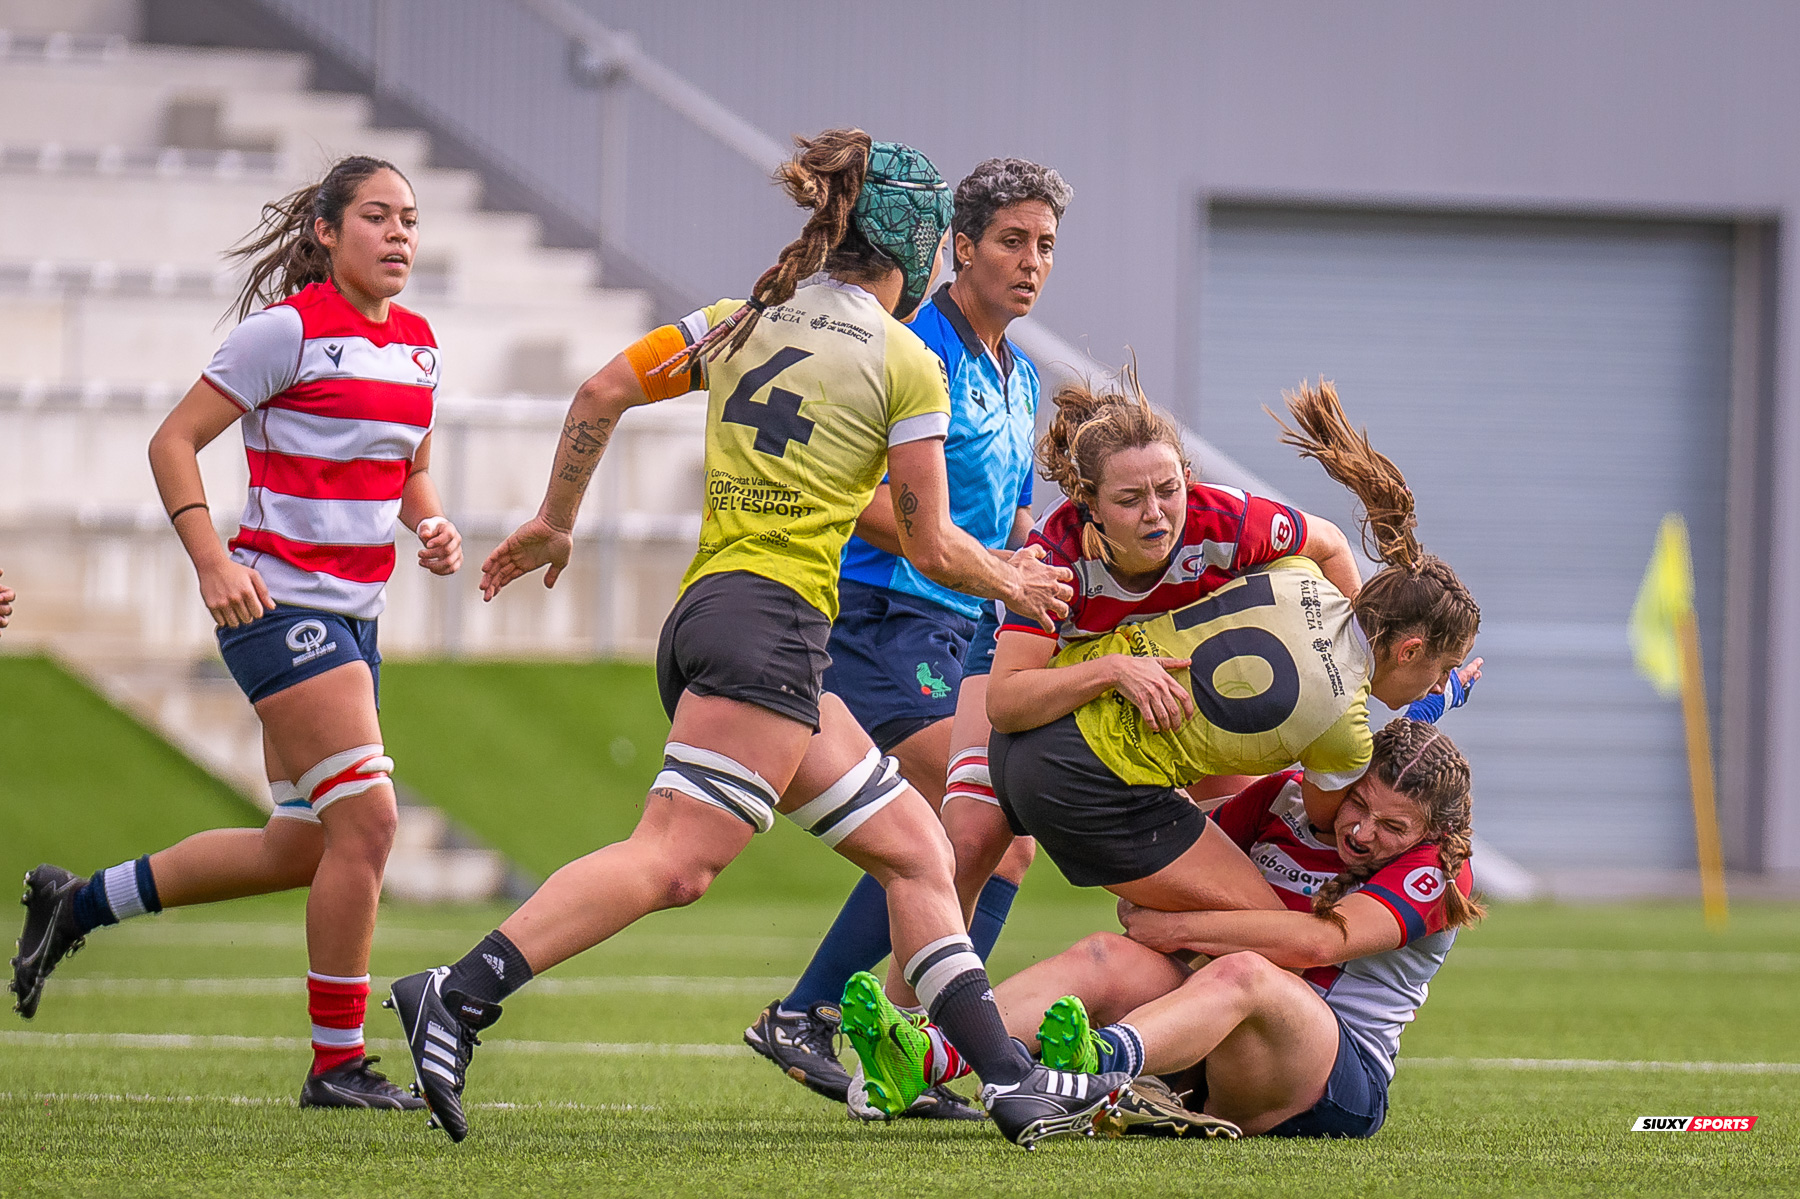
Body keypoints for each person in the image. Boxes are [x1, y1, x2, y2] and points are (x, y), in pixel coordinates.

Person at [383, 130, 1128, 1148]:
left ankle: (1006, 1079)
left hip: (716, 615)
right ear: (917, 243)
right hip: (774, 629)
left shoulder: (743, 316)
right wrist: (1012, 576)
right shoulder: (908, 358)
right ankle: (457, 993)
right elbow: (928, 538)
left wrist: (559, 516)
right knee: (676, 862)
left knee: (917, 848)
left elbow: (601, 390)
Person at [9, 156, 460, 1110]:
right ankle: (336, 1065)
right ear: (328, 234)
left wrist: (430, 521)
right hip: (279, 610)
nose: (398, 236)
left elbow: (408, 467)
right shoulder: (286, 331)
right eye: (376, 217)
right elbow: (173, 440)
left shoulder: (419, 346)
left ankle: (75, 903)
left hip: (357, 621)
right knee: (372, 823)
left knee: (301, 845)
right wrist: (212, 560)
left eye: (410, 221)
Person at [743, 157, 1072, 1118]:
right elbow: (861, 497)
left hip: (965, 626)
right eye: (1011, 240)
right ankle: (824, 1017)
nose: (1030, 261)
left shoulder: (1023, 375)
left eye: (1045, 244)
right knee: (981, 824)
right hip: (887, 616)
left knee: (987, 838)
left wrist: (1055, 566)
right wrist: (958, 555)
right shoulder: (907, 343)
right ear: (957, 247)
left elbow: (1011, 521)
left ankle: (884, 1042)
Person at [985, 380, 1481, 913]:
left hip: (1067, 731)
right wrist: (1407, 699)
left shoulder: (1281, 560)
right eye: (1130, 499)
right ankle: (954, 997)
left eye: (1167, 490)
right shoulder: (1051, 559)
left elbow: (1330, 553)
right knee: (1262, 927)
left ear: (1189, 482)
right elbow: (1006, 701)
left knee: (1236, 859)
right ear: (1091, 506)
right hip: (1048, 713)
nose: (1154, 512)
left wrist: (1351, 658)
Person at [1000, 718, 1481, 1140]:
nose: (1361, 831)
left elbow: (1320, 941)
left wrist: (1179, 928)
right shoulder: (1281, 797)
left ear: (1432, 829)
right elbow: (1165, 876)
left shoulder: (1438, 866)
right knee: (1106, 954)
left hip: (1331, 1080)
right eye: (1357, 803)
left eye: (1392, 826)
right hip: (1214, 1043)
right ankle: (946, 1046)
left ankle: (1093, 1069)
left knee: (1247, 972)